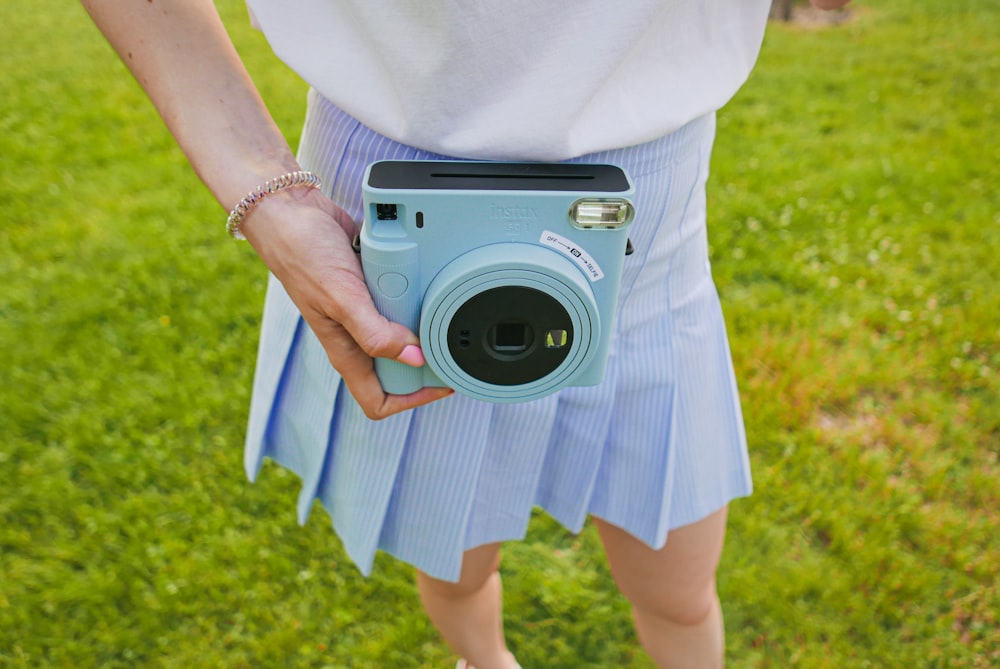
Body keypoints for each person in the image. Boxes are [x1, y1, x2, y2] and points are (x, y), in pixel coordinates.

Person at [81, 1, 850, 667]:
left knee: (678, 586)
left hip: (641, 226)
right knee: (454, 563)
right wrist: (264, 197)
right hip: (396, 221)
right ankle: (485, 660)